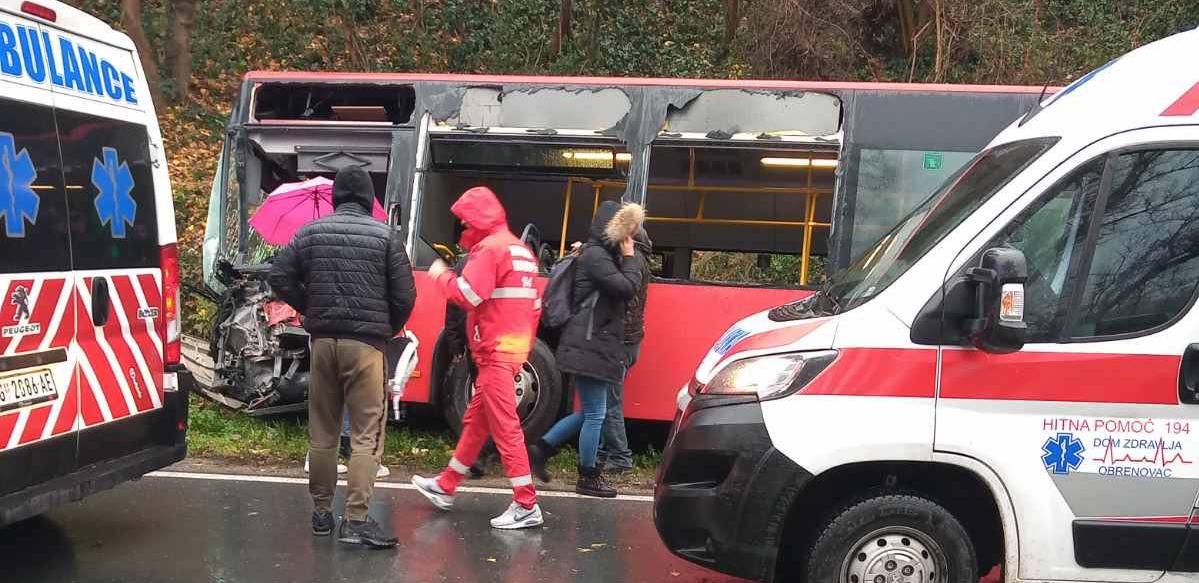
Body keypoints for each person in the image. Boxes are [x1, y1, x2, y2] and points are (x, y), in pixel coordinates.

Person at [268, 166, 415, 548]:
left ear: (336, 199)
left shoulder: (310, 233)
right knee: (366, 435)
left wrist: (310, 309)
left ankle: (321, 514)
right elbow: (405, 297)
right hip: (367, 346)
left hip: (322, 344)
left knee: (323, 431)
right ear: (369, 199)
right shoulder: (386, 237)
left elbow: (280, 276)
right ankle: (356, 519)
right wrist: (385, 327)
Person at [411, 186, 544, 530]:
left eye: (465, 223)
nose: (462, 230)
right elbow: (535, 307)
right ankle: (446, 486)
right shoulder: (521, 250)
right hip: (513, 350)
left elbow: (468, 296)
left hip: (495, 351)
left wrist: (440, 275)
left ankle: (526, 503)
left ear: (477, 221)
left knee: (505, 428)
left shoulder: (489, 249)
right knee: (477, 422)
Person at [528, 201, 644, 498]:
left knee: (592, 411)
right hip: (590, 343)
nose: (629, 239)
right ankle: (588, 477)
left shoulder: (597, 254)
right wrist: (630, 257)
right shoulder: (596, 257)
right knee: (595, 415)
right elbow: (626, 288)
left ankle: (542, 448)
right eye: (626, 232)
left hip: (593, 343)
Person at [598, 226, 652, 475]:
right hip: (633, 342)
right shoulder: (642, 260)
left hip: (621, 342)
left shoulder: (630, 262)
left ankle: (620, 457)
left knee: (610, 402)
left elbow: (621, 298)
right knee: (606, 398)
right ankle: (603, 451)